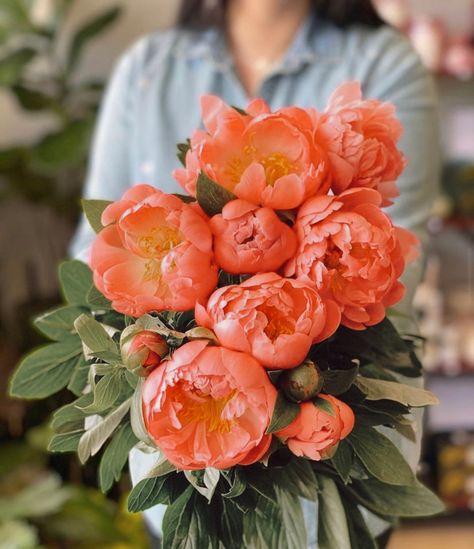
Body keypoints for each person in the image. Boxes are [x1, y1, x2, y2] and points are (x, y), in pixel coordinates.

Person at [71, 1, 440, 547]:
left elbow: (393, 259)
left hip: (337, 472)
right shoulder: (148, 68)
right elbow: (93, 259)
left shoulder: (385, 65)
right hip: (182, 474)